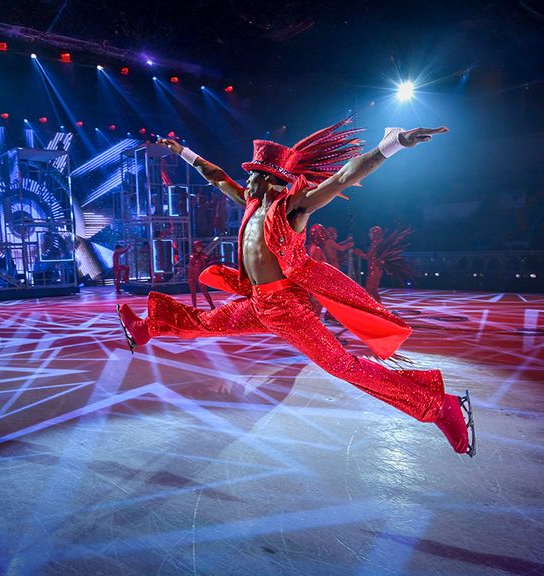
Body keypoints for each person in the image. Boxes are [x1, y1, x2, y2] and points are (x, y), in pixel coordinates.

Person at [116, 119, 474, 456]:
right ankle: (145, 328)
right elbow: (216, 177)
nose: (246, 182)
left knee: (343, 366)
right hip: (258, 304)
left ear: (268, 178)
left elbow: (344, 178)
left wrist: (392, 145)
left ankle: (440, 406)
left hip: (286, 308)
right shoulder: (251, 204)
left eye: (252, 175)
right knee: (206, 322)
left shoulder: (294, 208)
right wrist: (182, 153)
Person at [187, 241, 216, 309]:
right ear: (195, 247)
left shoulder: (203, 256)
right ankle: (194, 306)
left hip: (199, 276)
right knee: (193, 292)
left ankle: (212, 305)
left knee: (204, 291)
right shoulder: (192, 256)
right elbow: (191, 267)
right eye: (197, 247)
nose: (199, 248)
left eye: (200, 247)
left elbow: (204, 266)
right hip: (192, 276)